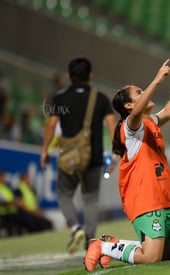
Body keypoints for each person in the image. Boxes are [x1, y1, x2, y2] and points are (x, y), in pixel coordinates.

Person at [84, 59, 170, 271]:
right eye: (139, 92)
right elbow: (136, 114)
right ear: (128, 105)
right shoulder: (130, 128)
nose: (145, 92)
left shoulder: (150, 122)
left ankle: (114, 244)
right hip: (145, 198)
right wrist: (156, 80)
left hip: (163, 197)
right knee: (152, 257)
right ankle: (103, 246)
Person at [40, 57, 117, 253]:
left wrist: (45, 150)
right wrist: (117, 152)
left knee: (64, 194)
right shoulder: (100, 98)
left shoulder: (61, 99)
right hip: (93, 157)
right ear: (90, 75)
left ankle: (75, 227)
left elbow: (51, 125)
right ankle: (90, 242)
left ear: (69, 76)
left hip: (68, 157)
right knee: (90, 199)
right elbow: (111, 125)